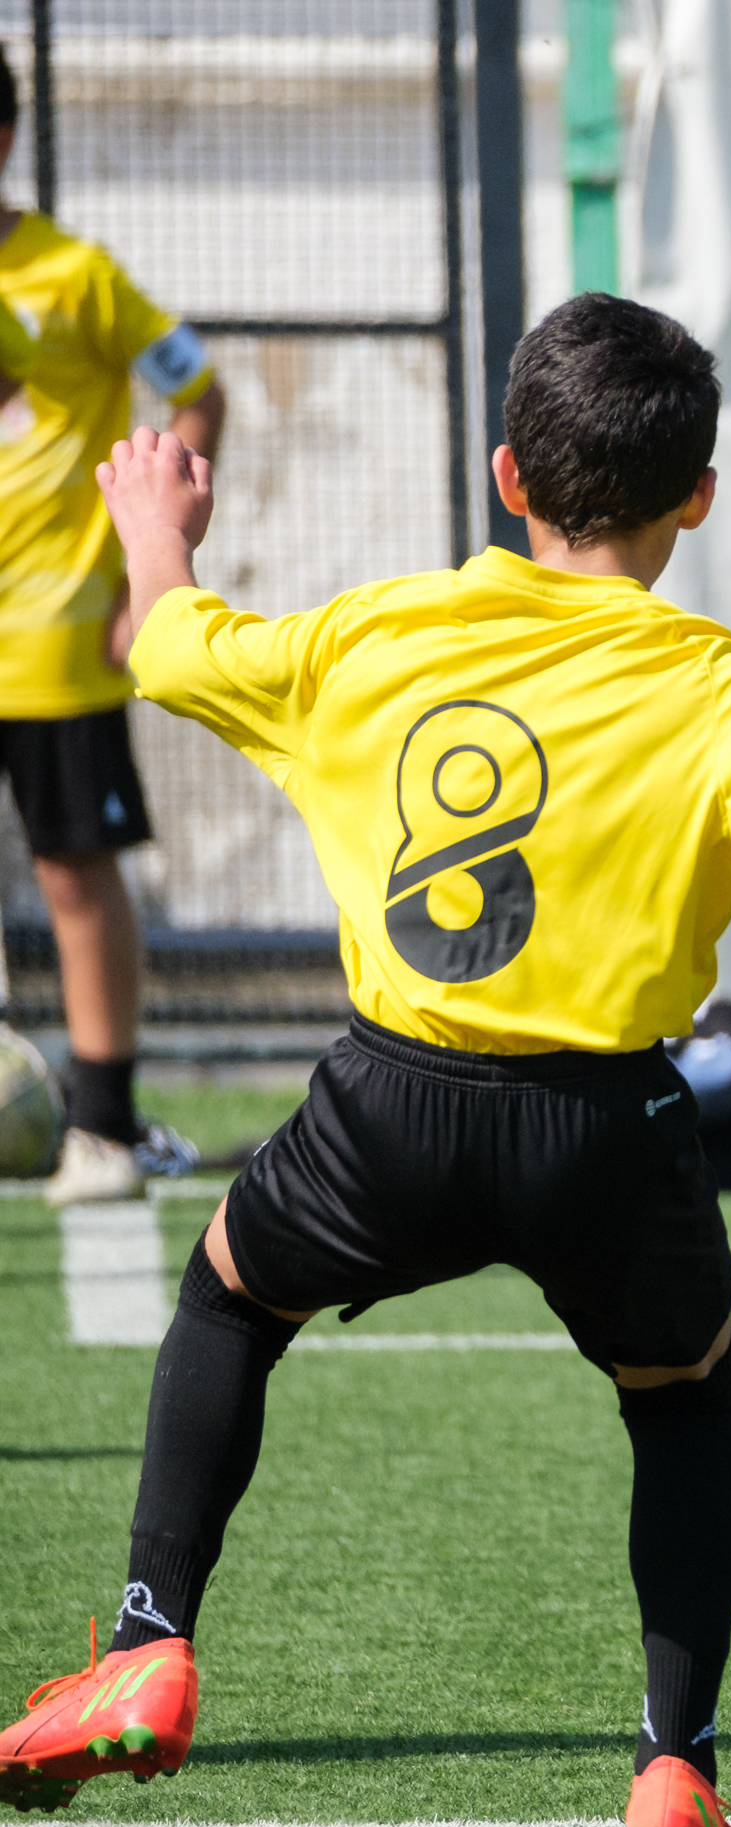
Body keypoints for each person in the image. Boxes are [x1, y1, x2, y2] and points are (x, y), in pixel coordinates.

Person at [0, 295, 731, 1827]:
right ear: (698, 498)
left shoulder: (376, 637)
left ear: (508, 476)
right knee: (683, 1406)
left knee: (229, 1302)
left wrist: (157, 530)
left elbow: (164, 647)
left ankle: (149, 1641)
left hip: (392, 1108)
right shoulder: (720, 685)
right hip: (609, 1129)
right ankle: (675, 1770)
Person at [0, 49, 228, 1204]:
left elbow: (200, 389)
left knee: (73, 872)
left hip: (53, 632)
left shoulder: (77, 276)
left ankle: (101, 1126)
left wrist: (148, 574)